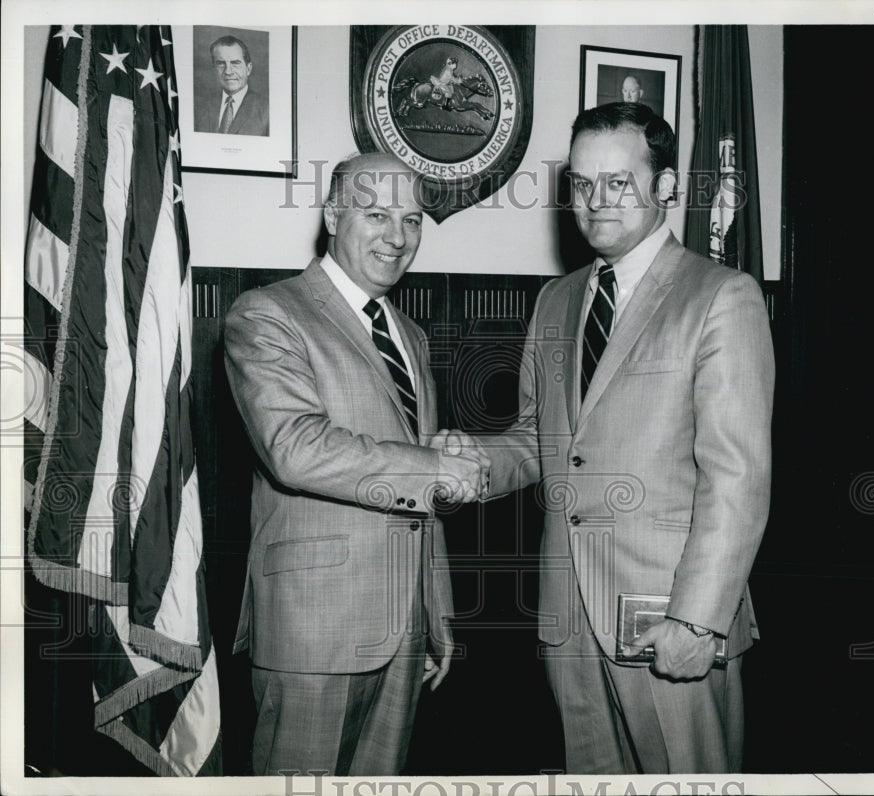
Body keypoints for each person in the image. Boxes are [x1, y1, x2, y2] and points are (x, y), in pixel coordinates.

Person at [439, 102, 774, 773]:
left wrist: (698, 619)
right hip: (569, 617)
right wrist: (473, 461)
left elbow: (737, 478)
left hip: (671, 616)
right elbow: (540, 439)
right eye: (582, 184)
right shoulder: (556, 299)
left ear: (666, 186)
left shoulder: (721, 296)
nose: (596, 202)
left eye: (619, 182)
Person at [224, 152, 487, 776]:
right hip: (313, 633)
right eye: (376, 215)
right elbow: (295, 448)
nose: (397, 236)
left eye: (412, 220)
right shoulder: (268, 313)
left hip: (402, 634)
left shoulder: (409, 334)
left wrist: (433, 613)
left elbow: (413, 485)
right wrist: (432, 468)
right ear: (333, 215)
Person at [195, 34, 269, 136]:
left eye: (235, 63)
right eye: (221, 63)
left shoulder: (267, 110)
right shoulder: (199, 108)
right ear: (214, 70)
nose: (228, 71)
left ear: (248, 69)